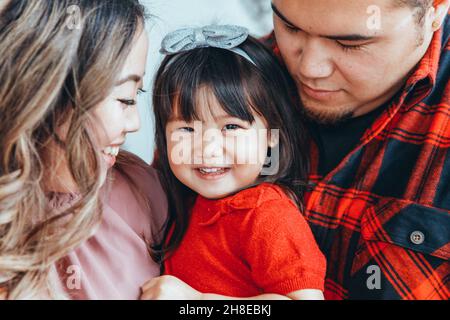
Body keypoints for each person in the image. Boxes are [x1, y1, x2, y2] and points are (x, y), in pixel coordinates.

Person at [264, 0, 450, 299]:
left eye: (350, 43)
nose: (310, 68)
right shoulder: (227, 82)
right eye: (290, 27)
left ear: (435, 10)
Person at [140, 26, 326, 300]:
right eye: (187, 130)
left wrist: (197, 301)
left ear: (272, 134)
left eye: (231, 127)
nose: (207, 148)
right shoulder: (183, 202)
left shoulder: (267, 214)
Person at [0, 0, 167, 299]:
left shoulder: (141, 189)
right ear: (47, 96)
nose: (136, 124)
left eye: (136, 94)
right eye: (126, 98)